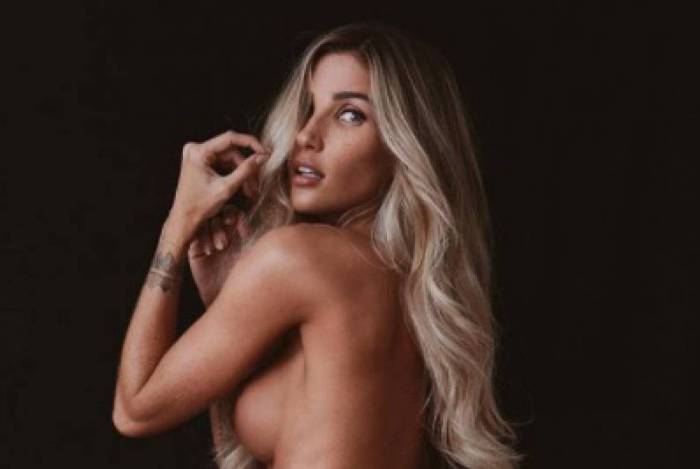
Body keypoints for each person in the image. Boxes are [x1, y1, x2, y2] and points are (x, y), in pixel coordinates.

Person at [112, 21, 522, 469]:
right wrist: (222, 303)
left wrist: (178, 223)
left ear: (404, 143)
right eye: (308, 107)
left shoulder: (299, 257)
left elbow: (135, 411)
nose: (306, 135)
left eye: (350, 114)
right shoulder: (409, 282)